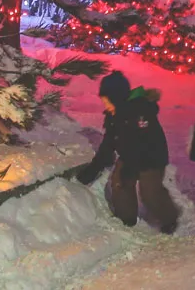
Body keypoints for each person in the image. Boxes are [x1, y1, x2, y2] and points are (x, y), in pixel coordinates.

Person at [75, 70, 179, 235]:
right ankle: (127, 218)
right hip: (129, 155)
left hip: (151, 157)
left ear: (117, 98)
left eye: (107, 101)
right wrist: (91, 171)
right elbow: (108, 145)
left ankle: (169, 218)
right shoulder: (113, 116)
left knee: (149, 191)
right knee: (119, 181)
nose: (106, 106)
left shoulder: (140, 112)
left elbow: (144, 143)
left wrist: (130, 167)